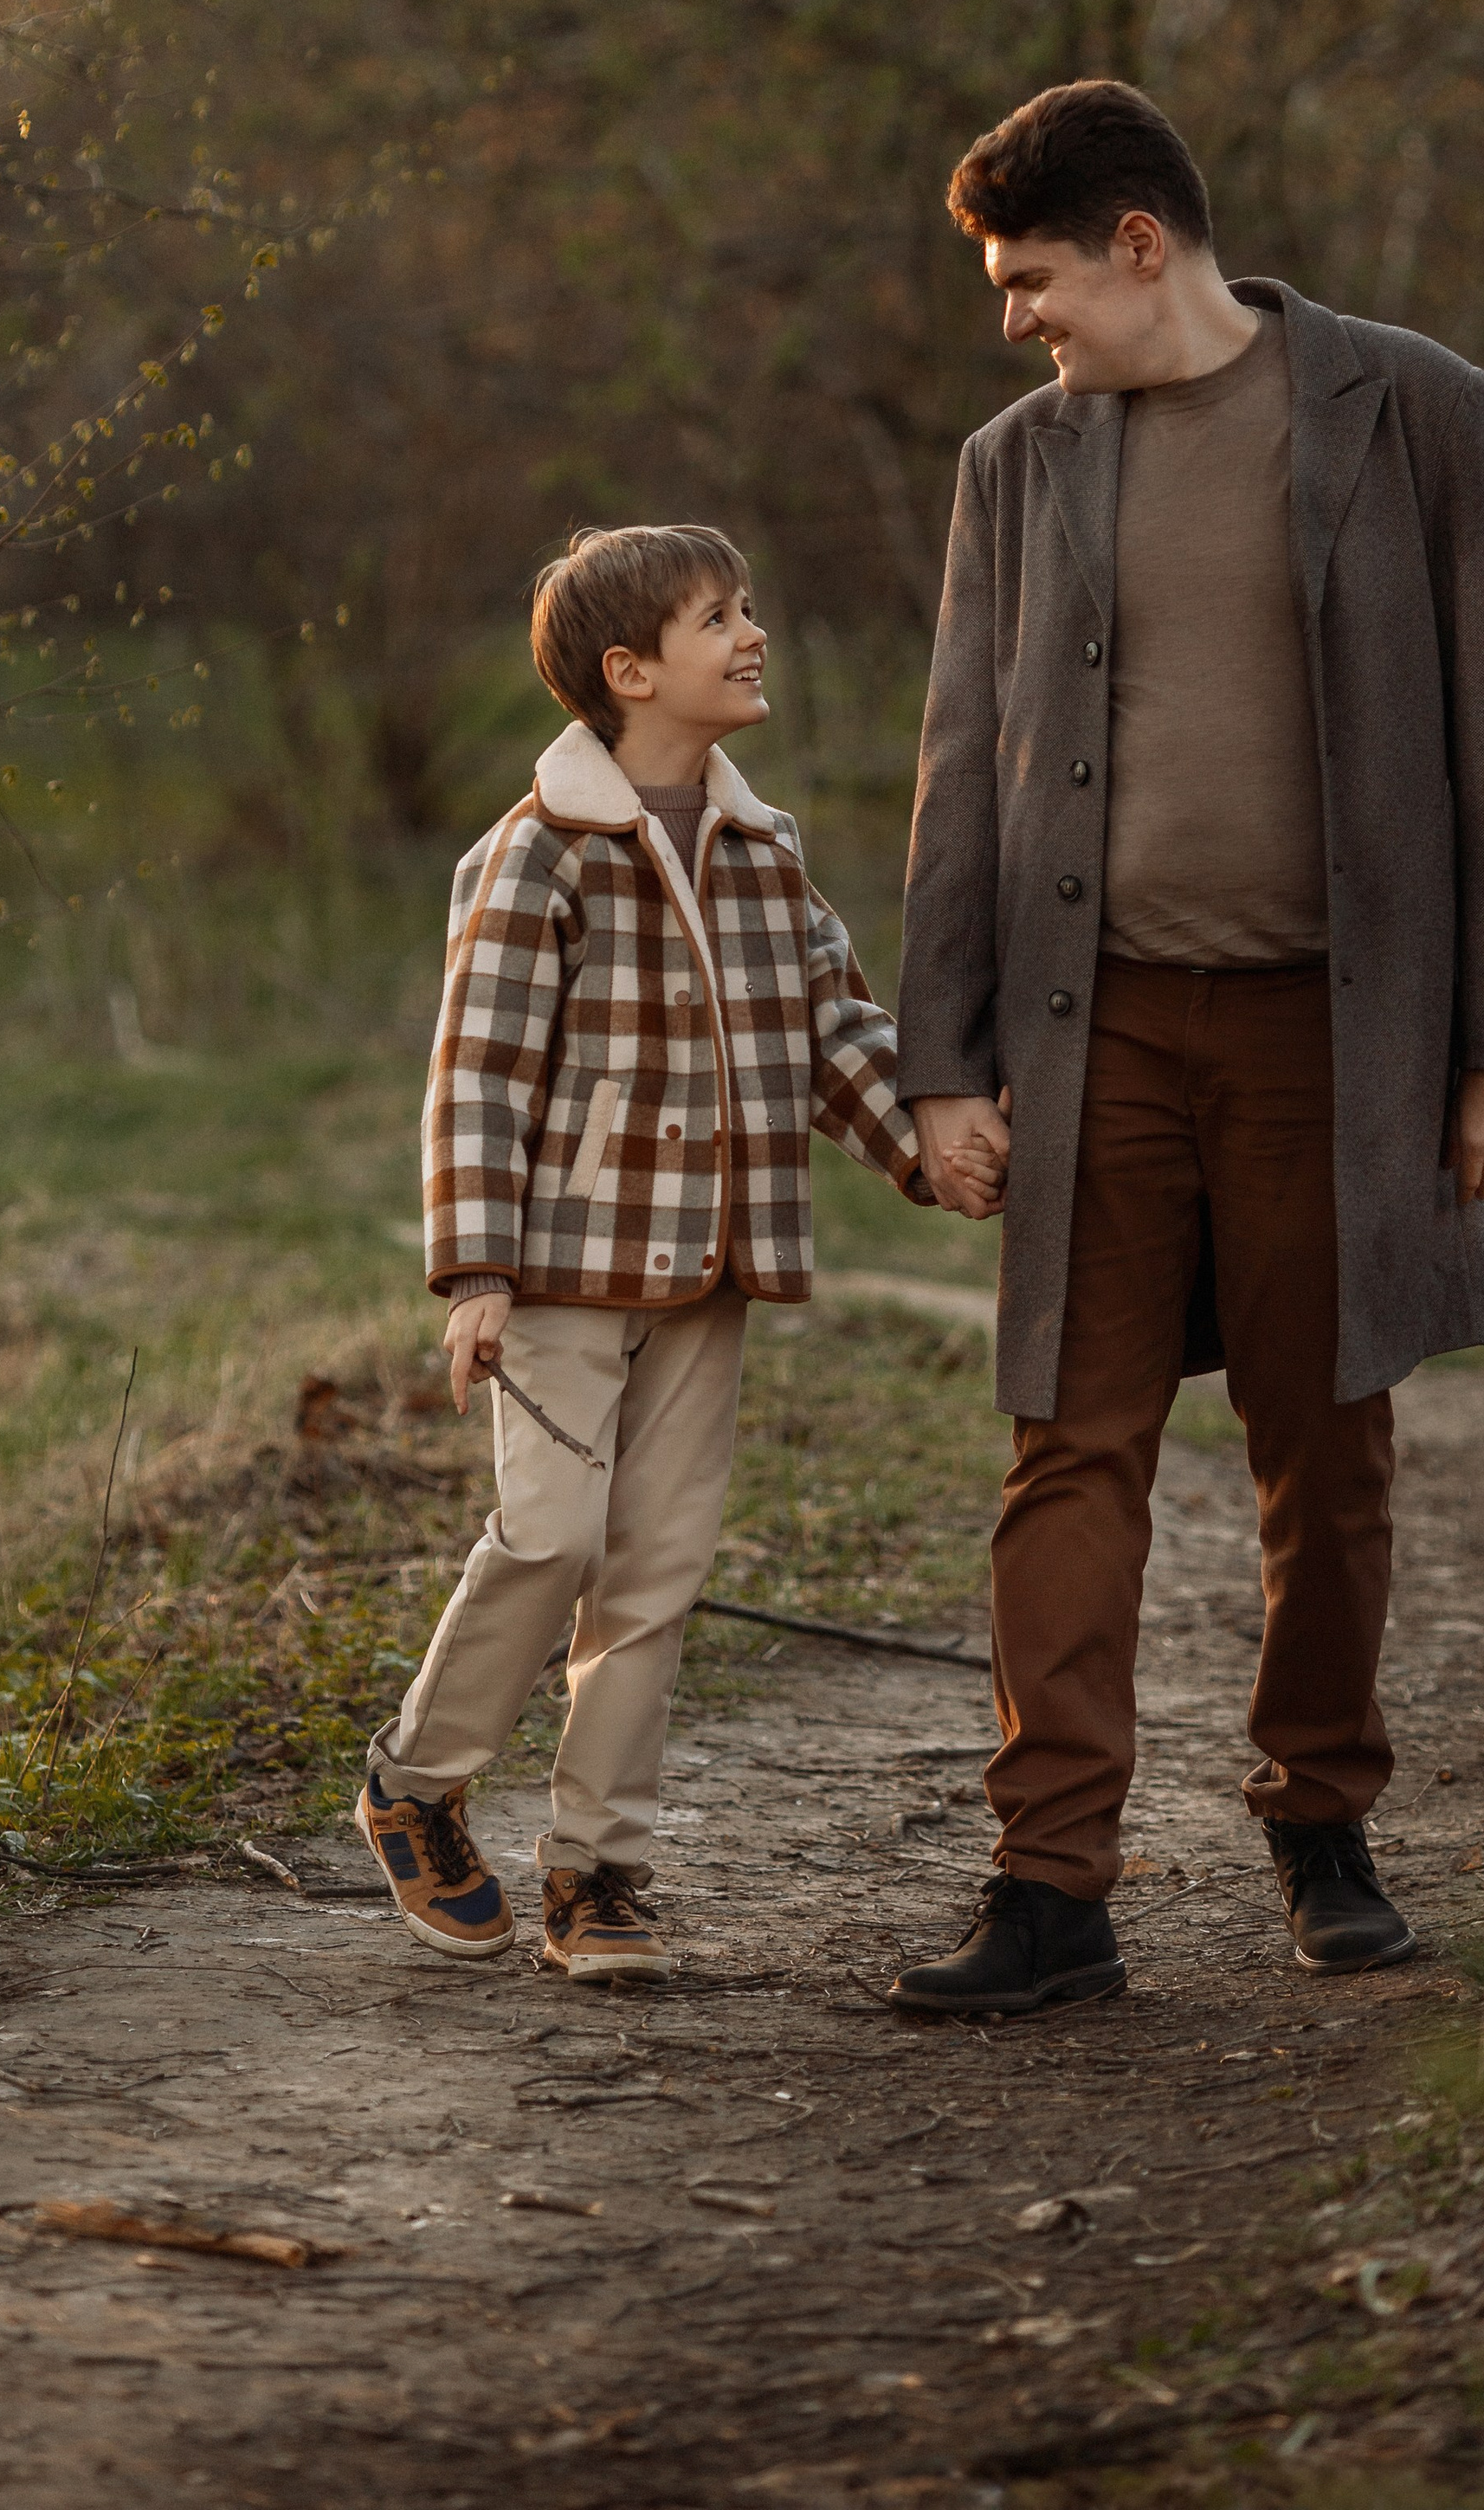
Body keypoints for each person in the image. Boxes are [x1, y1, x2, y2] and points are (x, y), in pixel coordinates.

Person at [887, 81, 1484, 2016]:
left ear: (1137, 244)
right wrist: (943, 1063)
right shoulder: (1014, 465)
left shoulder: (1412, 408)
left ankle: (1320, 1824)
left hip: (1331, 1041)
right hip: (1088, 1033)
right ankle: (1048, 1887)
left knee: (1324, 1447)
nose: (1014, 320)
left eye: (1029, 281)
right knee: (1065, 1446)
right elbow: (962, 771)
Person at [358, 524, 975, 1983]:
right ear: (631, 672)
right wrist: (476, 1273)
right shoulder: (536, 852)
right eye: (720, 619)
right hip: (561, 1272)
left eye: (749, 610)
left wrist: (933, 1147)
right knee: (551, 1537)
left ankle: (596, 1873)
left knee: (654, 1572)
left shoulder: (765, 849)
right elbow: (478, 1074)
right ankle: (418, 1781)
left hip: (712, 1272)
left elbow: (832, 1030)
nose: (754, 636)